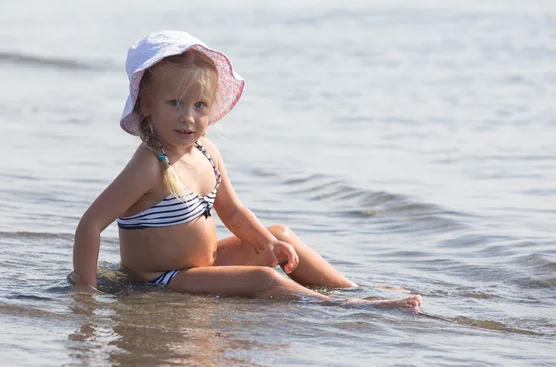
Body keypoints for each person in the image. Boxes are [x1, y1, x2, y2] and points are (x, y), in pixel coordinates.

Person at [71, 31, 422, 311]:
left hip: (204, 265)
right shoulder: (148, 166)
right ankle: (345, 306)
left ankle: (352, 287)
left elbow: (234, 212)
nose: (188, 117)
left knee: (281, 234)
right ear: (147, 104)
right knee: (262, 279)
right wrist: (86, 289)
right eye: (174, 103)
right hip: (163, 278)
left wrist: (266, 243)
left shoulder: (207, 152)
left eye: (200, 105)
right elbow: (90, 224)